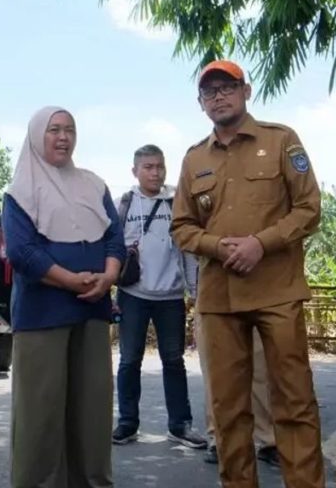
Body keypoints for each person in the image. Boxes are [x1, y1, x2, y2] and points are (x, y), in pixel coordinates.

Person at [171, 60, 325, 488]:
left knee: (294, 401)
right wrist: (217, 246)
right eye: (210, 91)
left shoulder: (281, 141)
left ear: (247, 91)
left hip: (277, 292)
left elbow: (309, 208)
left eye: (227, 87)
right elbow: (181, 226)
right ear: (201, 104)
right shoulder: (193, 158)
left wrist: (262, 243)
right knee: (228, 409)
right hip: (218, 299)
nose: (218, 96)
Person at [4, 106, 125, 488]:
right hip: (44, 312)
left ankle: (92, 482)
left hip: (93, 308)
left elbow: (114, 238)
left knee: (92, 409)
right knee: (41, 412)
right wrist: (71, 280)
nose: (63, 137)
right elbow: (23, 253)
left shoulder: (94, 184)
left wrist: (107, 276)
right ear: (37, 135)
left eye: (69, 130)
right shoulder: (20, 190)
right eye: (54, 129)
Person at [111, 144, 206, 450]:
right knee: (129, 361)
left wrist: (195, 292)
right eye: (148, 167)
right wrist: (109, 290)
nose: (155, 172)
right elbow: (110, 251)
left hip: (171, 297)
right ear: (135, 171)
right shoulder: (122, 205)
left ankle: (180, 425)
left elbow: (189, 251)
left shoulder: (178, 202)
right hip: (132, 295)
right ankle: (127, 423)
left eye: (159, 166)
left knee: (174, 361)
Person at [195, 316, 279, 467]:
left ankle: (268, 440)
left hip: (257, 298)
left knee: (260, 370)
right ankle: (219, 439)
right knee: (216, 373)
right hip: (213, 300)